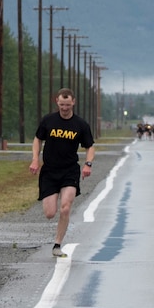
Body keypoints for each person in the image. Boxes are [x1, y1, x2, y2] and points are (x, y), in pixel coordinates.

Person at [29, 88, 95, 257]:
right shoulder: (48, 121)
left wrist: (88, 164)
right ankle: (56, 233)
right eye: (61, 104)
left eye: (67, 104)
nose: (64, 108)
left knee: (65, 208)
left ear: (73, 102)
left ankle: (57, 245)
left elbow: (90, 146)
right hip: (50, 171)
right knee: (50, 213)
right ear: (56, 102)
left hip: (70, 171)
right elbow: (37, 139)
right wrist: (35, 159)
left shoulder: (80, 125)